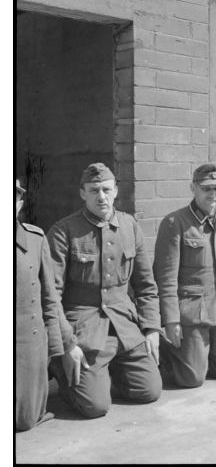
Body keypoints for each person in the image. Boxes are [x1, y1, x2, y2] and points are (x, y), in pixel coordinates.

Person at [47, 163, 162, 418]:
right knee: (95, 407)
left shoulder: (130, 225)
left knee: (149, 391)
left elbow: (146, 285)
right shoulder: (63, 232)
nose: (101, 196)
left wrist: (152, 328)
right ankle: (65, 373)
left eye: (106, 190)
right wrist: (66, 345)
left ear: (116, 191)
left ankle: (107, 373)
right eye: (94, 190)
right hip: (84, 328)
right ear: (82, 193)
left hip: (124, 325)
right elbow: (51, 297)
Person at [153, 163, 216, 387]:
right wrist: (171, 320)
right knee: (191, 379)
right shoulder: (175, 223)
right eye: (207, 189)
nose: (213, 195)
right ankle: (170, 352)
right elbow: (165, 278)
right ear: (193, 188)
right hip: (191, 312)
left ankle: (199, 355)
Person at [16, 179, 65, 431]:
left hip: (28, 346)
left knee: (23, 420)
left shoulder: (35, 239)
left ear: (19, 204)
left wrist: (54, 350)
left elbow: (49, 298)